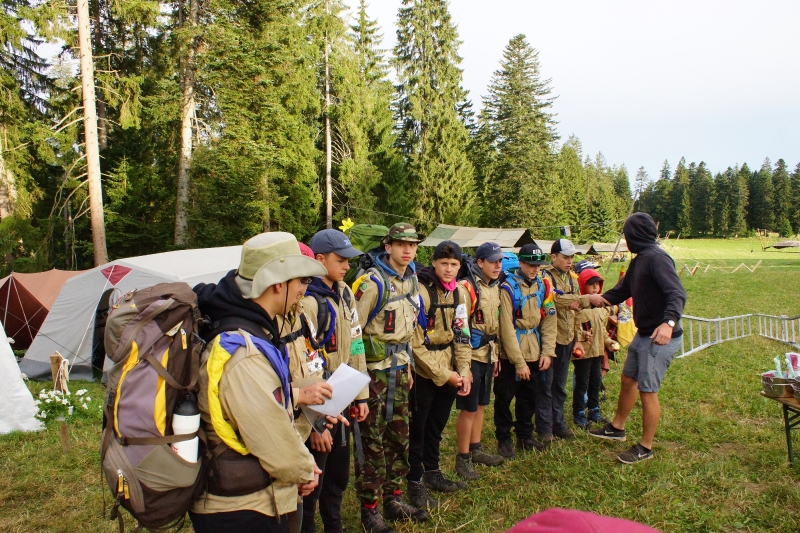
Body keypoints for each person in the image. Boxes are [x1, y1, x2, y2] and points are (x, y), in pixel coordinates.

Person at [190, 232, 329, 533]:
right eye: (299, 280)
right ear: (279, 283)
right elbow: (270, 435)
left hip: (245, 498)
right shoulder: (244, 353)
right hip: (241, 509)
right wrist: (304, 470)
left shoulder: (247, 329)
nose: (302, 290)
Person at [588, 212, 687, 464]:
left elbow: (676, 293)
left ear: (635, 235)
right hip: (643, 334)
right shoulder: (640, 259)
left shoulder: (657, 259)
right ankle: (617, 428)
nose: (625, 240)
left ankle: (646, 446)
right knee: (628, 379)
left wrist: (668, 323)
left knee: (647, 391)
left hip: (660, 337)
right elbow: (623, 290)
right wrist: (598, 299)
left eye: (626, 235)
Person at [353, 223, 429, 533]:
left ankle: (393, 498)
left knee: (399, 436)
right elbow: (353, 334)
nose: (407, 250)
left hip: (399, 369)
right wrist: (359, 378)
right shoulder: (372, 284)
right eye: (401, 244)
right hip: (374, 374)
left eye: (412, 244)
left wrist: (408, 366)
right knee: (373, 441)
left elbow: (408, 330)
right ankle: (370, 509)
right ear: (388, 247)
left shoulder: (412, 280)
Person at [301, 229, 370, 533]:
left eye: (348, 260)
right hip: (317, 402)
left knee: (338, 474)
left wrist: (361, 393)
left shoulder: (344, 293)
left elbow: (356, 342)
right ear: (319, 259)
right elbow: (302, 364)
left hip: (342, 394)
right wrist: (317, 423)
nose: (346, 266)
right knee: (312, 481)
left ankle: (335, 526)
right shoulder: (307, 301)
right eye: (340, 260)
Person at [406, 240, 472, 509]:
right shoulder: (420, 292)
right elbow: (414, 343)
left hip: (450, 366)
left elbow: (462, 334)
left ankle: (432, 471)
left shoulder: (460, 293)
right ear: (433, 262)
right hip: (425, 370)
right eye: (443, 263)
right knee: (418, 428)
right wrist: (442, 374)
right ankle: (414, 481)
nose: (448, 269)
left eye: (454, 264)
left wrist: (464, 370)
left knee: (437, 425)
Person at [495, 244, 557, 457]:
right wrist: (518, 362)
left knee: (529, 396)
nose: (534, 269)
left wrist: (547, 351)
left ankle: (524, 435)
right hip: (511, 352)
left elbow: (549, 319)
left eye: (538, 265)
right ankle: (503, 438)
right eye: (530, 265)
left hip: (535, 350)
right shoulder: (508, 288)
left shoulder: (543, 286)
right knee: (504, 397)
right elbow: (506, 328)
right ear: (521, 263)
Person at [455, 242, 506, 481]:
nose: (498, 265)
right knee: (468, 408)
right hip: (472, 355)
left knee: (482, 404)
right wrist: (464, 366)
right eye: (493, 261)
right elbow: (461, 327)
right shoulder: (467, 288)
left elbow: (495, 323)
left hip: (488, 353)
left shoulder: (494, 286)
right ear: (480, 262)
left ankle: (475, 448)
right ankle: (463, 457)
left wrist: (496, 355)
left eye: (500, 261)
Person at [542, 239, 592, 441]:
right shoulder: (545, 277)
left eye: (571, 257)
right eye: (565, 257)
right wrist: (580, 300)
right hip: (549, 338)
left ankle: (558, 422)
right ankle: (545, 427)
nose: (569, 261)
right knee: (546, 384)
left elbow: (576, 311)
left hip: (566, 338)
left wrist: (578, 337)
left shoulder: (572, 278)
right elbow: (552, 299)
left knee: (559, 384)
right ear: (553, 257)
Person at [572, 268, 619, 429]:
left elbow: (602, 331)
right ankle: (579, 412)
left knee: (595, 382)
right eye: (591, 285)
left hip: (598, 351)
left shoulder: (600, 309)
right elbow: (573, 329)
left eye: (597, 285)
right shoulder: (578, 309)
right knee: (582, 383)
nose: (595, 288)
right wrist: (582, 336)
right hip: (584, 352)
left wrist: (609, 342)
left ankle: (594, 409)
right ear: (583, 286)